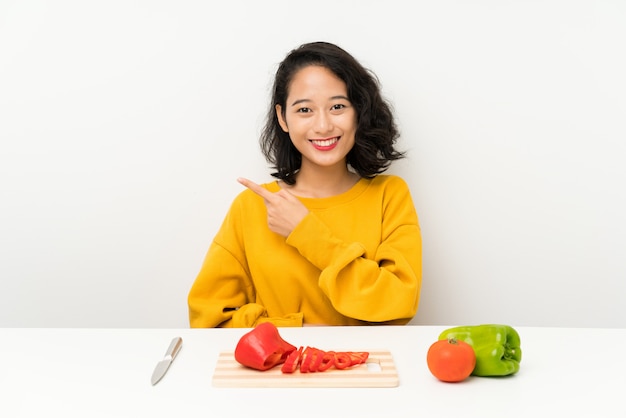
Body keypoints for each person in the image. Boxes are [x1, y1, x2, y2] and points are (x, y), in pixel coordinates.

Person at [188, 41, 422, 328]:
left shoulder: (389, 196)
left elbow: (399, 303)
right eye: (304, 110)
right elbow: (208, 320)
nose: (323, 126)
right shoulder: (252, 207)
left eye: (337, 106)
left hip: (362, 370)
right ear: (282, 118)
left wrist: (306, 232)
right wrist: (295, 335)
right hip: (277, 372)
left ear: (358, 112)